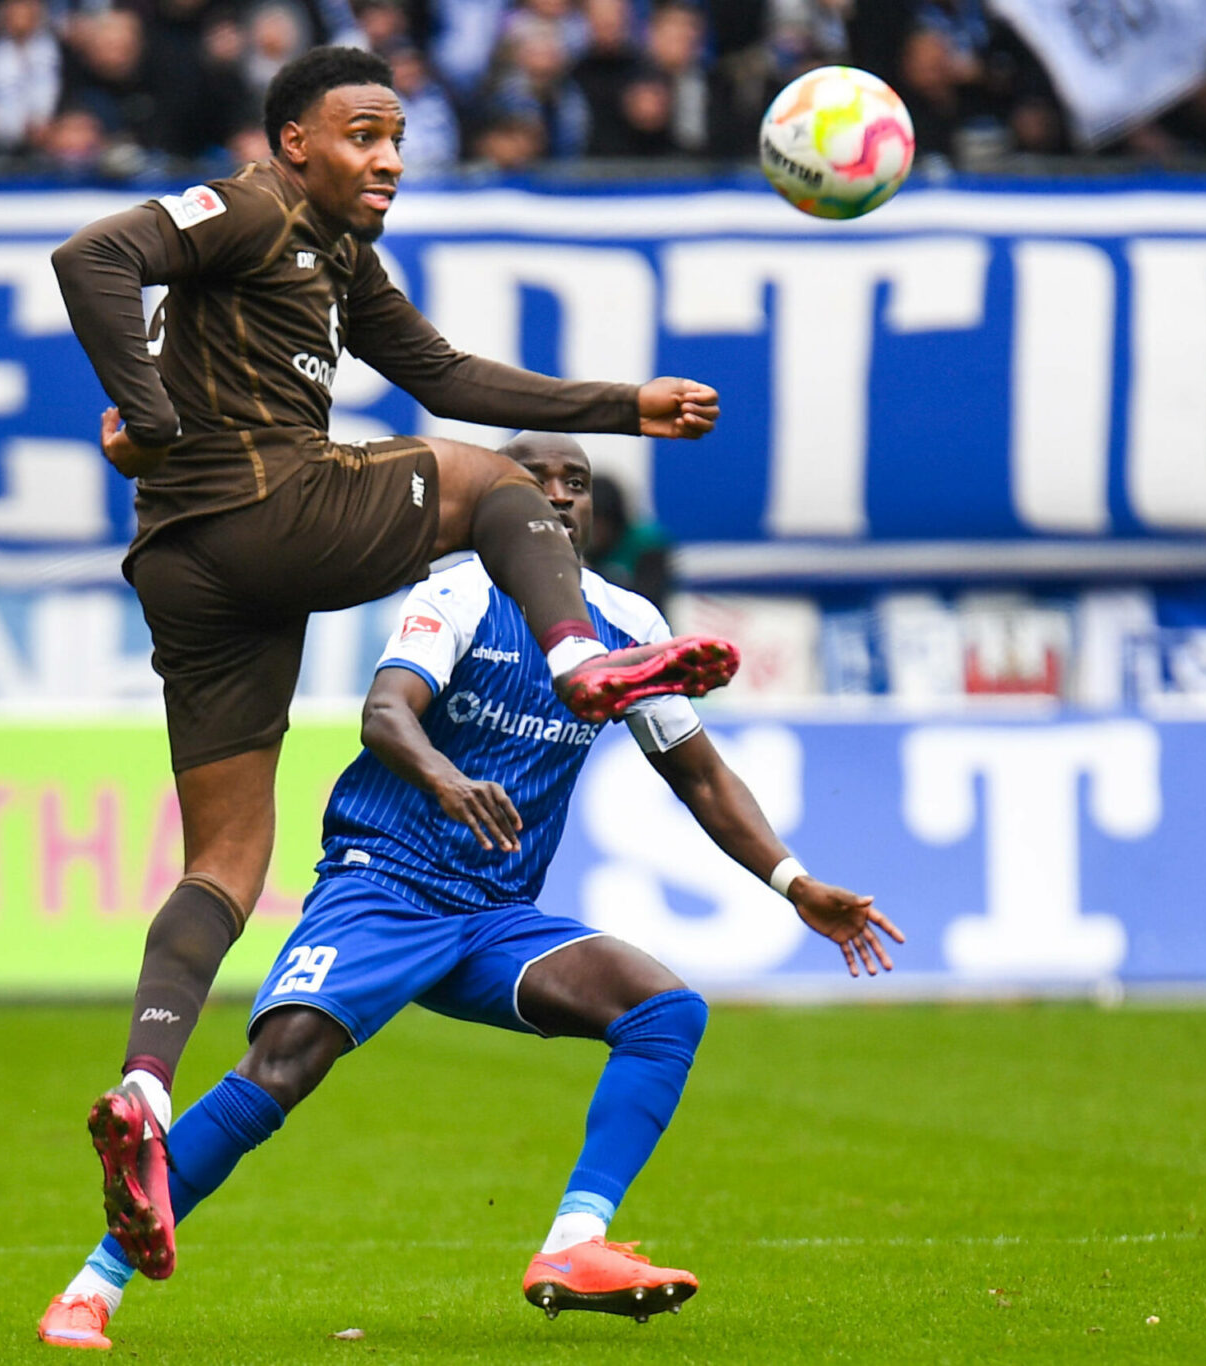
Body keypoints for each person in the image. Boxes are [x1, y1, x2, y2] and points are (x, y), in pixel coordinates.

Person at [48, 44, 739, 1280]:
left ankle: (144, 1088)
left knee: (225, 857)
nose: (387, 160)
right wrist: (145, 409)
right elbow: (90, 256)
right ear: (293, 141)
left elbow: (442, 374)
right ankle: (579, 654)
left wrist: (619, 403)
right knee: (489, 484)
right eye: (362, 134)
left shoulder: (337, 259)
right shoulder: (249, 204)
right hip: (260, 508)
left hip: (186, 565)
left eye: (397, 140)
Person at [35, 435, 901, 1349]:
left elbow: (700, 775)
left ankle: (574, 1243)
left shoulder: (628, 627)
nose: (560, 497)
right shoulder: (458, 593)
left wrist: (792, 881)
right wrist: (444, 779)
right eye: (537, 481)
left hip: (493, 917)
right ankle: (92, 1287)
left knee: (664, 1011)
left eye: (578, 484)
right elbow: (384, 714)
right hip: (386, 886)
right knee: (283, 1064)